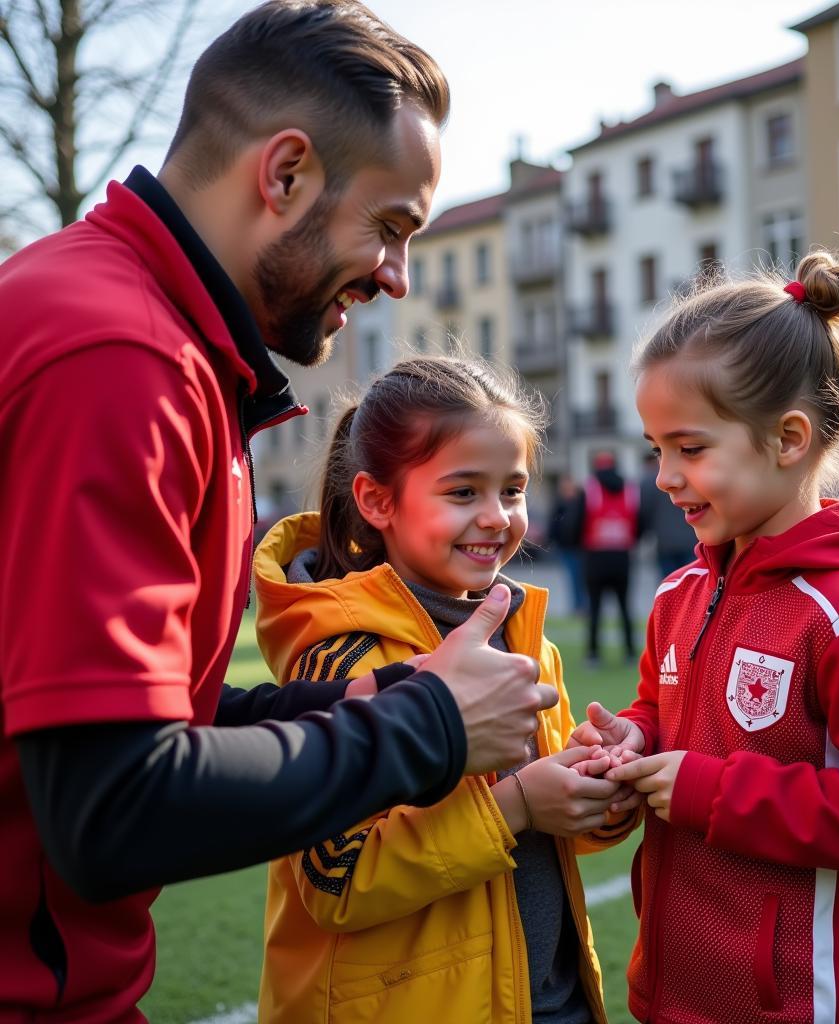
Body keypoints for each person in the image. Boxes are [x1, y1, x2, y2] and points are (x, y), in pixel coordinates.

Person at [0, 5, 556, 1021]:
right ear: (285, 172)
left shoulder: (148, 339)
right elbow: (110, 809)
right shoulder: (121, 362)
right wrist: (428, 724)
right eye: (390, 227)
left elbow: (155, 718)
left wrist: (384, 693)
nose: (397, 276)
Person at [570, 252, 839, 1023]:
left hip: (796, 1007)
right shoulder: (679, 592)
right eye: (656, 450)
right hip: (671, 994)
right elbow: (666, 709)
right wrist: (635, 738)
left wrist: (710, 791)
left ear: (788, 439)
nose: (663, 477)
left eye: (689, 449)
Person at [255, 357, 633, 1023]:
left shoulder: (523, 638)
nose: (496, 517)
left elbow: (559, 831)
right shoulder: (347, 658)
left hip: (553, 1002)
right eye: (463, 493)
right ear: (378, 501)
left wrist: (598, 785)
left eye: (512, 491)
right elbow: (334, 882)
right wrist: (515, 805)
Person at [580, 451, 639, 665]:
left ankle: (593, 654)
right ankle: (630, 653)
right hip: (622, 556)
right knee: (625, 607)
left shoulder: (589, 489)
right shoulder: (630, 489)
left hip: (596, 556)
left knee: (594, 608)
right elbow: (639, 522)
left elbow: (577, 521)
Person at [638, 449, 698, 578]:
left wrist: (644, 533)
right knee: (693, 581)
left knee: (670, 582)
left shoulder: (648, 482)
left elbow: (644, 512)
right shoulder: (687, 475)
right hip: (691, 538)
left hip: (664, 542)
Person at [547, 474, 587, 615]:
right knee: (573, 578)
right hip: (566, 547)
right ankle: (578, 605)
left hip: (579, 547)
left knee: (579, 578)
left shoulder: (580, 503)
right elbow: (554, 524)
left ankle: (582, 605)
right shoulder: (561, 504)